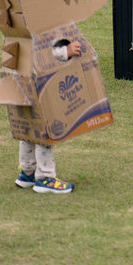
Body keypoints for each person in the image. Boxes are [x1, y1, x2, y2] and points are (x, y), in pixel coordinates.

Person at [14, 39, 82, 194]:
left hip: (22, 81)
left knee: (28, 129)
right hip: (40, 85)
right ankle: (45, 177)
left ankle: (27, 172)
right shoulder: (36, 21)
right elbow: (41, 52)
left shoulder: (17, 19)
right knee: (44, 130)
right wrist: (66, 51)